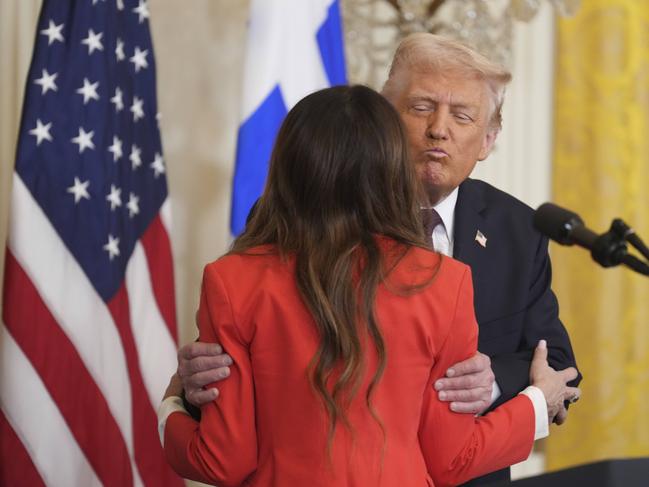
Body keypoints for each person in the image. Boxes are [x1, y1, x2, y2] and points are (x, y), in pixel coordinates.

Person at [174, 34, 581, 485]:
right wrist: (192, 387)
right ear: (384, 124)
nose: (438, 130)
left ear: (487, 140)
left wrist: (492, 382)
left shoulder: (517, 229)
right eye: (422, 107)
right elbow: (240, 363)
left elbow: (556, 358)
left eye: (461, 116)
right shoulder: (290, 225)